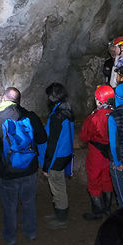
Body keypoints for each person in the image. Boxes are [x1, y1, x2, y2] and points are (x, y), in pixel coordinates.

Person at [0, 87, 47, 245]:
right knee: (29, 202)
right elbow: (41, 138)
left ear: (3, 99)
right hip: (29, 169)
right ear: (19, 100)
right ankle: (31, 232)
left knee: (9, 206)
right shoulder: (31, 117)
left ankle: (11, 237)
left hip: (7, 173)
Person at [40, 82, 75, 229]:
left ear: (53, 97)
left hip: (57, 157)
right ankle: (57, 213)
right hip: (65, 153)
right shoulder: (66, 110)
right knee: (57, 186)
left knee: (58, 188)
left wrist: (46, 167)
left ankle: (61, 219)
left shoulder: (56, 117)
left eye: (49, 95)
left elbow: (52, 144)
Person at [79, 85, 115, 220]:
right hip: (111, 152)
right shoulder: (115, 114)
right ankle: (107, 208)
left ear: (99, 100)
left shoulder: (93, 118)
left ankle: (98, 211)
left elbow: (84, 136)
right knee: (107, 178)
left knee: (94, 180)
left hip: (96, 153)